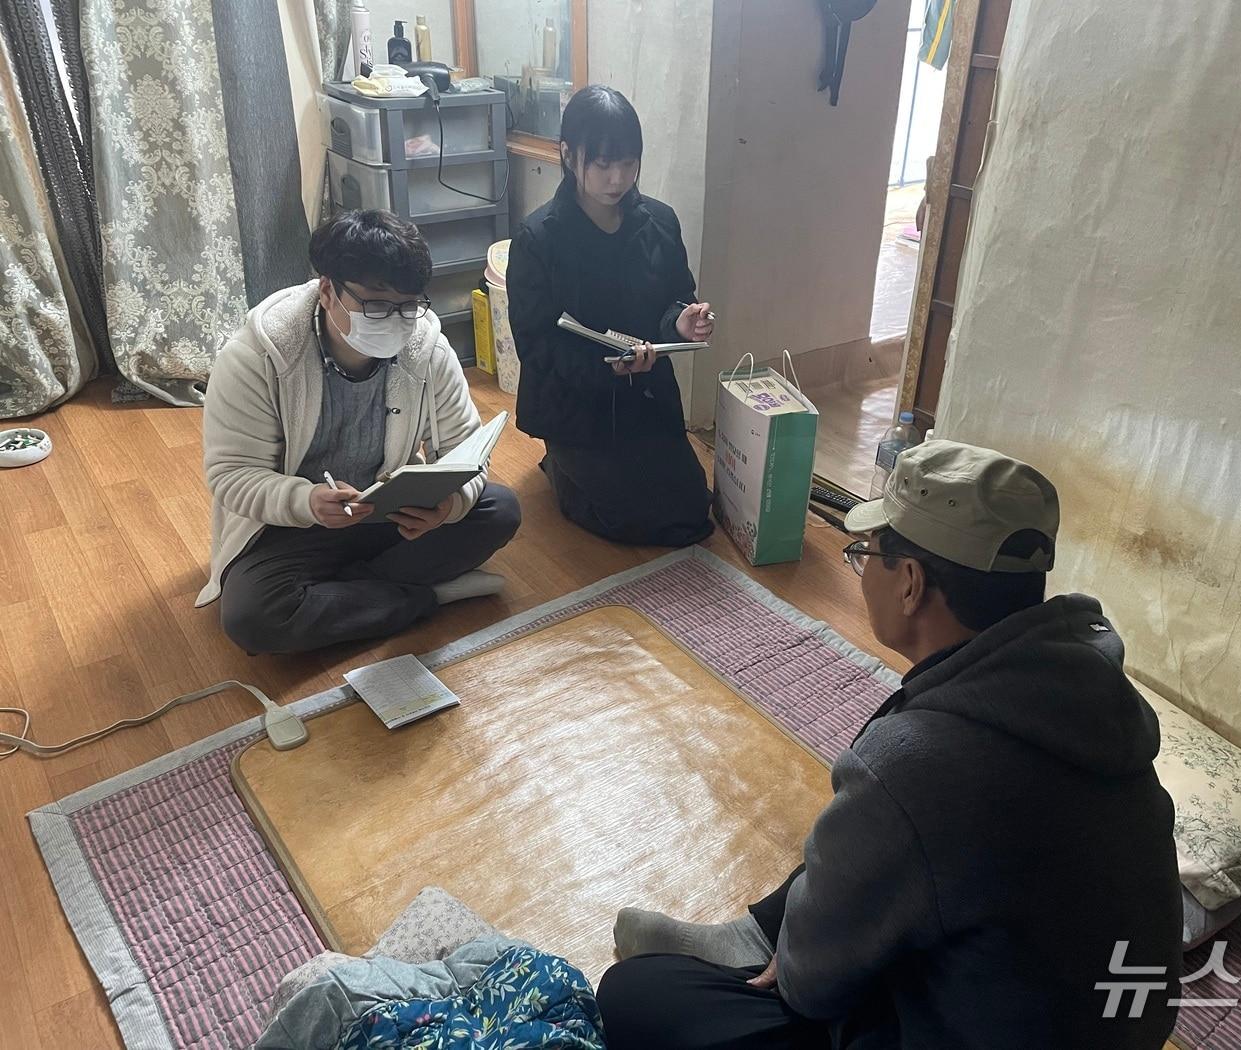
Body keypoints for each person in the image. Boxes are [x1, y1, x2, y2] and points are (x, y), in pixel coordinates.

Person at [598, 440, 1183, 1048]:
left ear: (910, 583)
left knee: (637, 995)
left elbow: (809, 990)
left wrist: (808, 965)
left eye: (865, 553)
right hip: (1104, 1022)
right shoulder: (1089, 693)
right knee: (875, 839)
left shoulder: (918, 758)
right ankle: (763, 934)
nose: (862, 568)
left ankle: (772, 944)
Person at [197, 210, 522, 654]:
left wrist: (448, 505)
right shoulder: (258, 357)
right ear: (328, 290)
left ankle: (343, 597)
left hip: (390, 513)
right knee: (251, 617)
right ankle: (428, 593)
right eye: (376, 305)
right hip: (293, 524)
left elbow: (466, 451)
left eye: (408, 306)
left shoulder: (426, 347)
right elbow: (231, 475)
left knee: (499, 509)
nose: (395, 320)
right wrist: (305, 501)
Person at [507, 85, 715, 547]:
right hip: (576, 402)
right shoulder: (538, 238)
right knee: (628, 519)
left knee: (692, 512)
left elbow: (676, 298)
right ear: (567, 155)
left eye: (627, 162)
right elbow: (536, 344)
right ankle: (559, 464)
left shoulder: (659, 221)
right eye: (601, 164)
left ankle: (581, 467)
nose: (616, 178)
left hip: (644, 392)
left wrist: (682, 321)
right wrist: (608, 369)